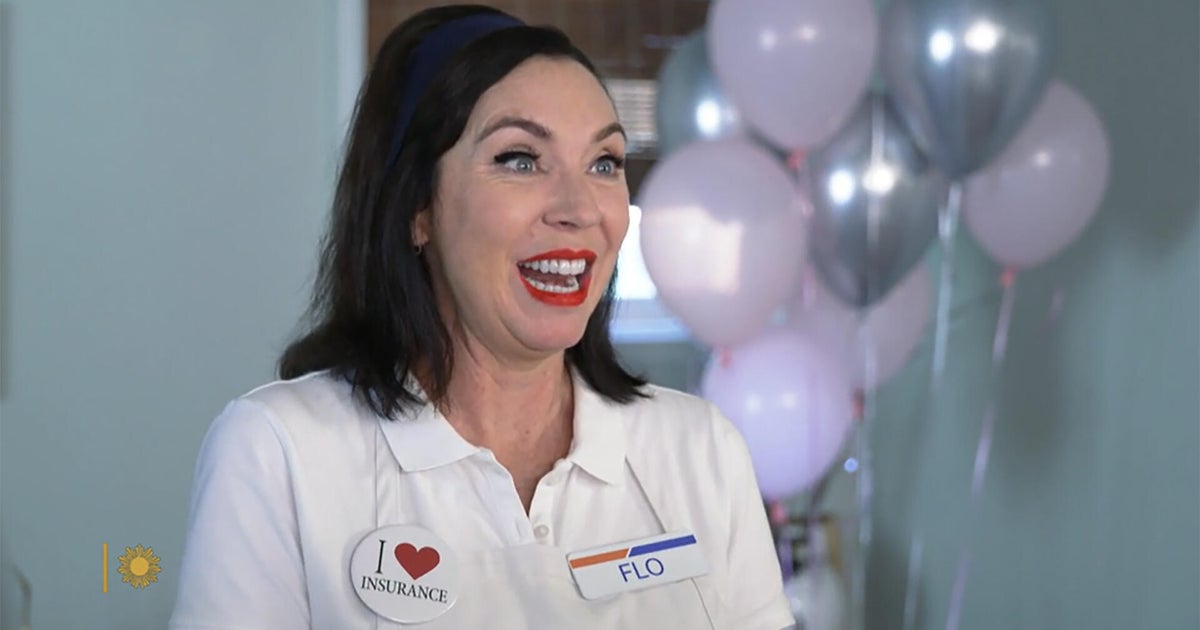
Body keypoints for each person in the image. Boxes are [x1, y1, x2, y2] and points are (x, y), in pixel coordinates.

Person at [169, 5, 793, 629]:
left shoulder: (702, 451)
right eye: (520, 159)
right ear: (417, 207)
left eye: (604, 162)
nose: (580, 209)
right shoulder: (280, 454)